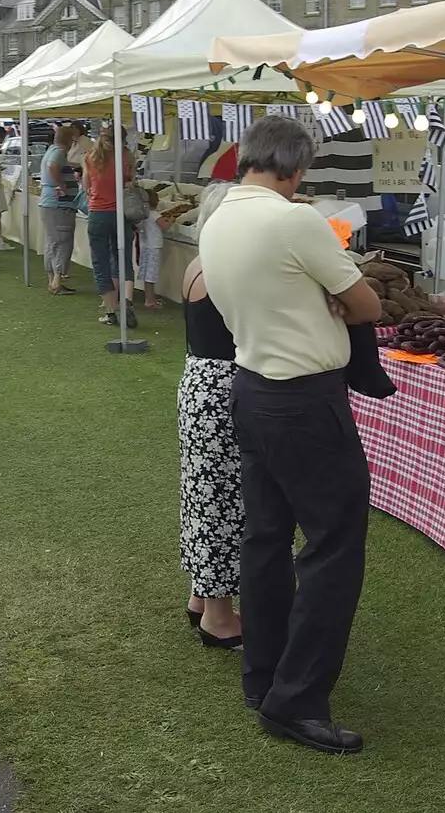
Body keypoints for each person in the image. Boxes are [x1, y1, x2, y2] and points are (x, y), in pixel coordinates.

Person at [198, 116, 381, 756]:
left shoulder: (218, 217)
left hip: (251, 386)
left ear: (246, 157)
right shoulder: (294, 219)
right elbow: (368, 306)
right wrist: (332, 299)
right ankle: (296, 699)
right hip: (303, 396)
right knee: (332, 547)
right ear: (297, 167)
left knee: (267, 538)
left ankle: (265, 674)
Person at [175, 192, 243, 652]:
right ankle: (219, 617)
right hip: (225, 391)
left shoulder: (196, 264)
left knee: (203, 491)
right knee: (223, 499)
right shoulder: (226, 271)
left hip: (198, 381)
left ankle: (202, 597)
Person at [83, 124, 137, 329]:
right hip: (121, 213)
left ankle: (110, 311)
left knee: (100, 263)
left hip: (98, 213)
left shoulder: (90, 157)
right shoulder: (127, 157)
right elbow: (132, 182)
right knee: (123, 259)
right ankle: (128, 302)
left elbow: (86, 187)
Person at [39, 124, 80, 295]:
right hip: (59, 205)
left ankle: (52, 280)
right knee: (63, 242)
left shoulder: (51, 150)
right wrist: (61, 184)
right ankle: (57, 281)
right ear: (69, 140)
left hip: (49, 204)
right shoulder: (58, 152)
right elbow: (52, 165)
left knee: (52, 242)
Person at [139, 187, 165, 310]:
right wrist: (171, 220)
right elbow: (165, 226)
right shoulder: (155, 215)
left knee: (146, 274)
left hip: (145, 246)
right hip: (154, 247)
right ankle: (150, 301)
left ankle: (149, 298)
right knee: (151, 275)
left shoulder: (143, 214)